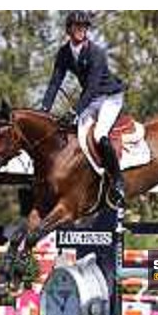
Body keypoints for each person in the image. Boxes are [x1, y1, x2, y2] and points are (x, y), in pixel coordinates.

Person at [41, 11, 126, 204]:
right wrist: (44, 110)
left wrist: (74, 111)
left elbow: (93, 87)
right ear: (69, 29)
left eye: (84, 27)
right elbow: (55, 83)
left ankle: (118, 180)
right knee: (75, 138)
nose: (81, 30)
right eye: (77, 27)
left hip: (110, 97)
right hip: (91, 99)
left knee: (99, 136)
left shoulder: (96, 52)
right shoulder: (64, 53)